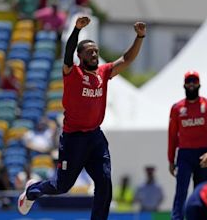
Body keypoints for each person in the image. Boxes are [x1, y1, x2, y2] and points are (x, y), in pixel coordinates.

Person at [17, 15, 146, 220]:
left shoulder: (103, 73)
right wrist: (76, 30)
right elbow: (68, 54)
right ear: (81, 56)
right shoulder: (72, 73)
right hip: (73, 139)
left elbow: (127, 59)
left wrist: (140, 36)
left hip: (95, 137)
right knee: (62, 186)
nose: (95, 54)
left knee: (104, 183)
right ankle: (33, 190)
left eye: (96, 51)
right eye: (90, 52)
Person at [168, 71, 207, 220]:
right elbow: (172, 136)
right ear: (184, 85)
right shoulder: (177, 108)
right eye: (188, 81)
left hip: (202, 154)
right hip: (184, 154)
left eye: (194, 81)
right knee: (181, 191)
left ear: (199, 84)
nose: (191, 84)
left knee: (202, 193)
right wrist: (170, 160)